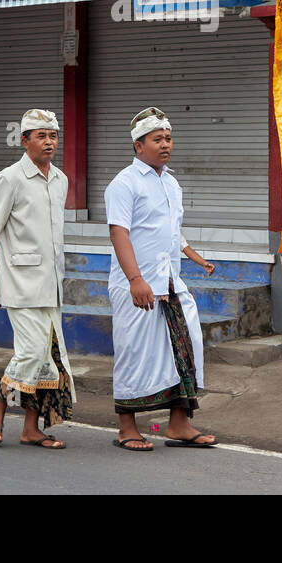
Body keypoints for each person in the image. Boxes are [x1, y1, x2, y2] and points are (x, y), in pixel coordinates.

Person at [104, 107, 215, 451]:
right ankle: (127, 427)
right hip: (135, 283)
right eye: (157, 139)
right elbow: (119, 233)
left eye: (168, 138)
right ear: (139, 146)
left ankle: (178, 424)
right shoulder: (124, 184)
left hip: (169, 281)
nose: (165, 144)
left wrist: (195, 256)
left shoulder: (171, 182)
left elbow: (171, 231)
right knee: (134, 352)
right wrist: (135, 278)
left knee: (185, 345)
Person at [0, 109, 74, 449]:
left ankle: (31, 428)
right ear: (25, 140)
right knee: (32, 352)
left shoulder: (60, 180)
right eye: (41, 136)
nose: (49, 142)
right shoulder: (10, 178)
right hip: (19, 282)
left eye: (53, 136)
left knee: (48, 358)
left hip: (51, 283)